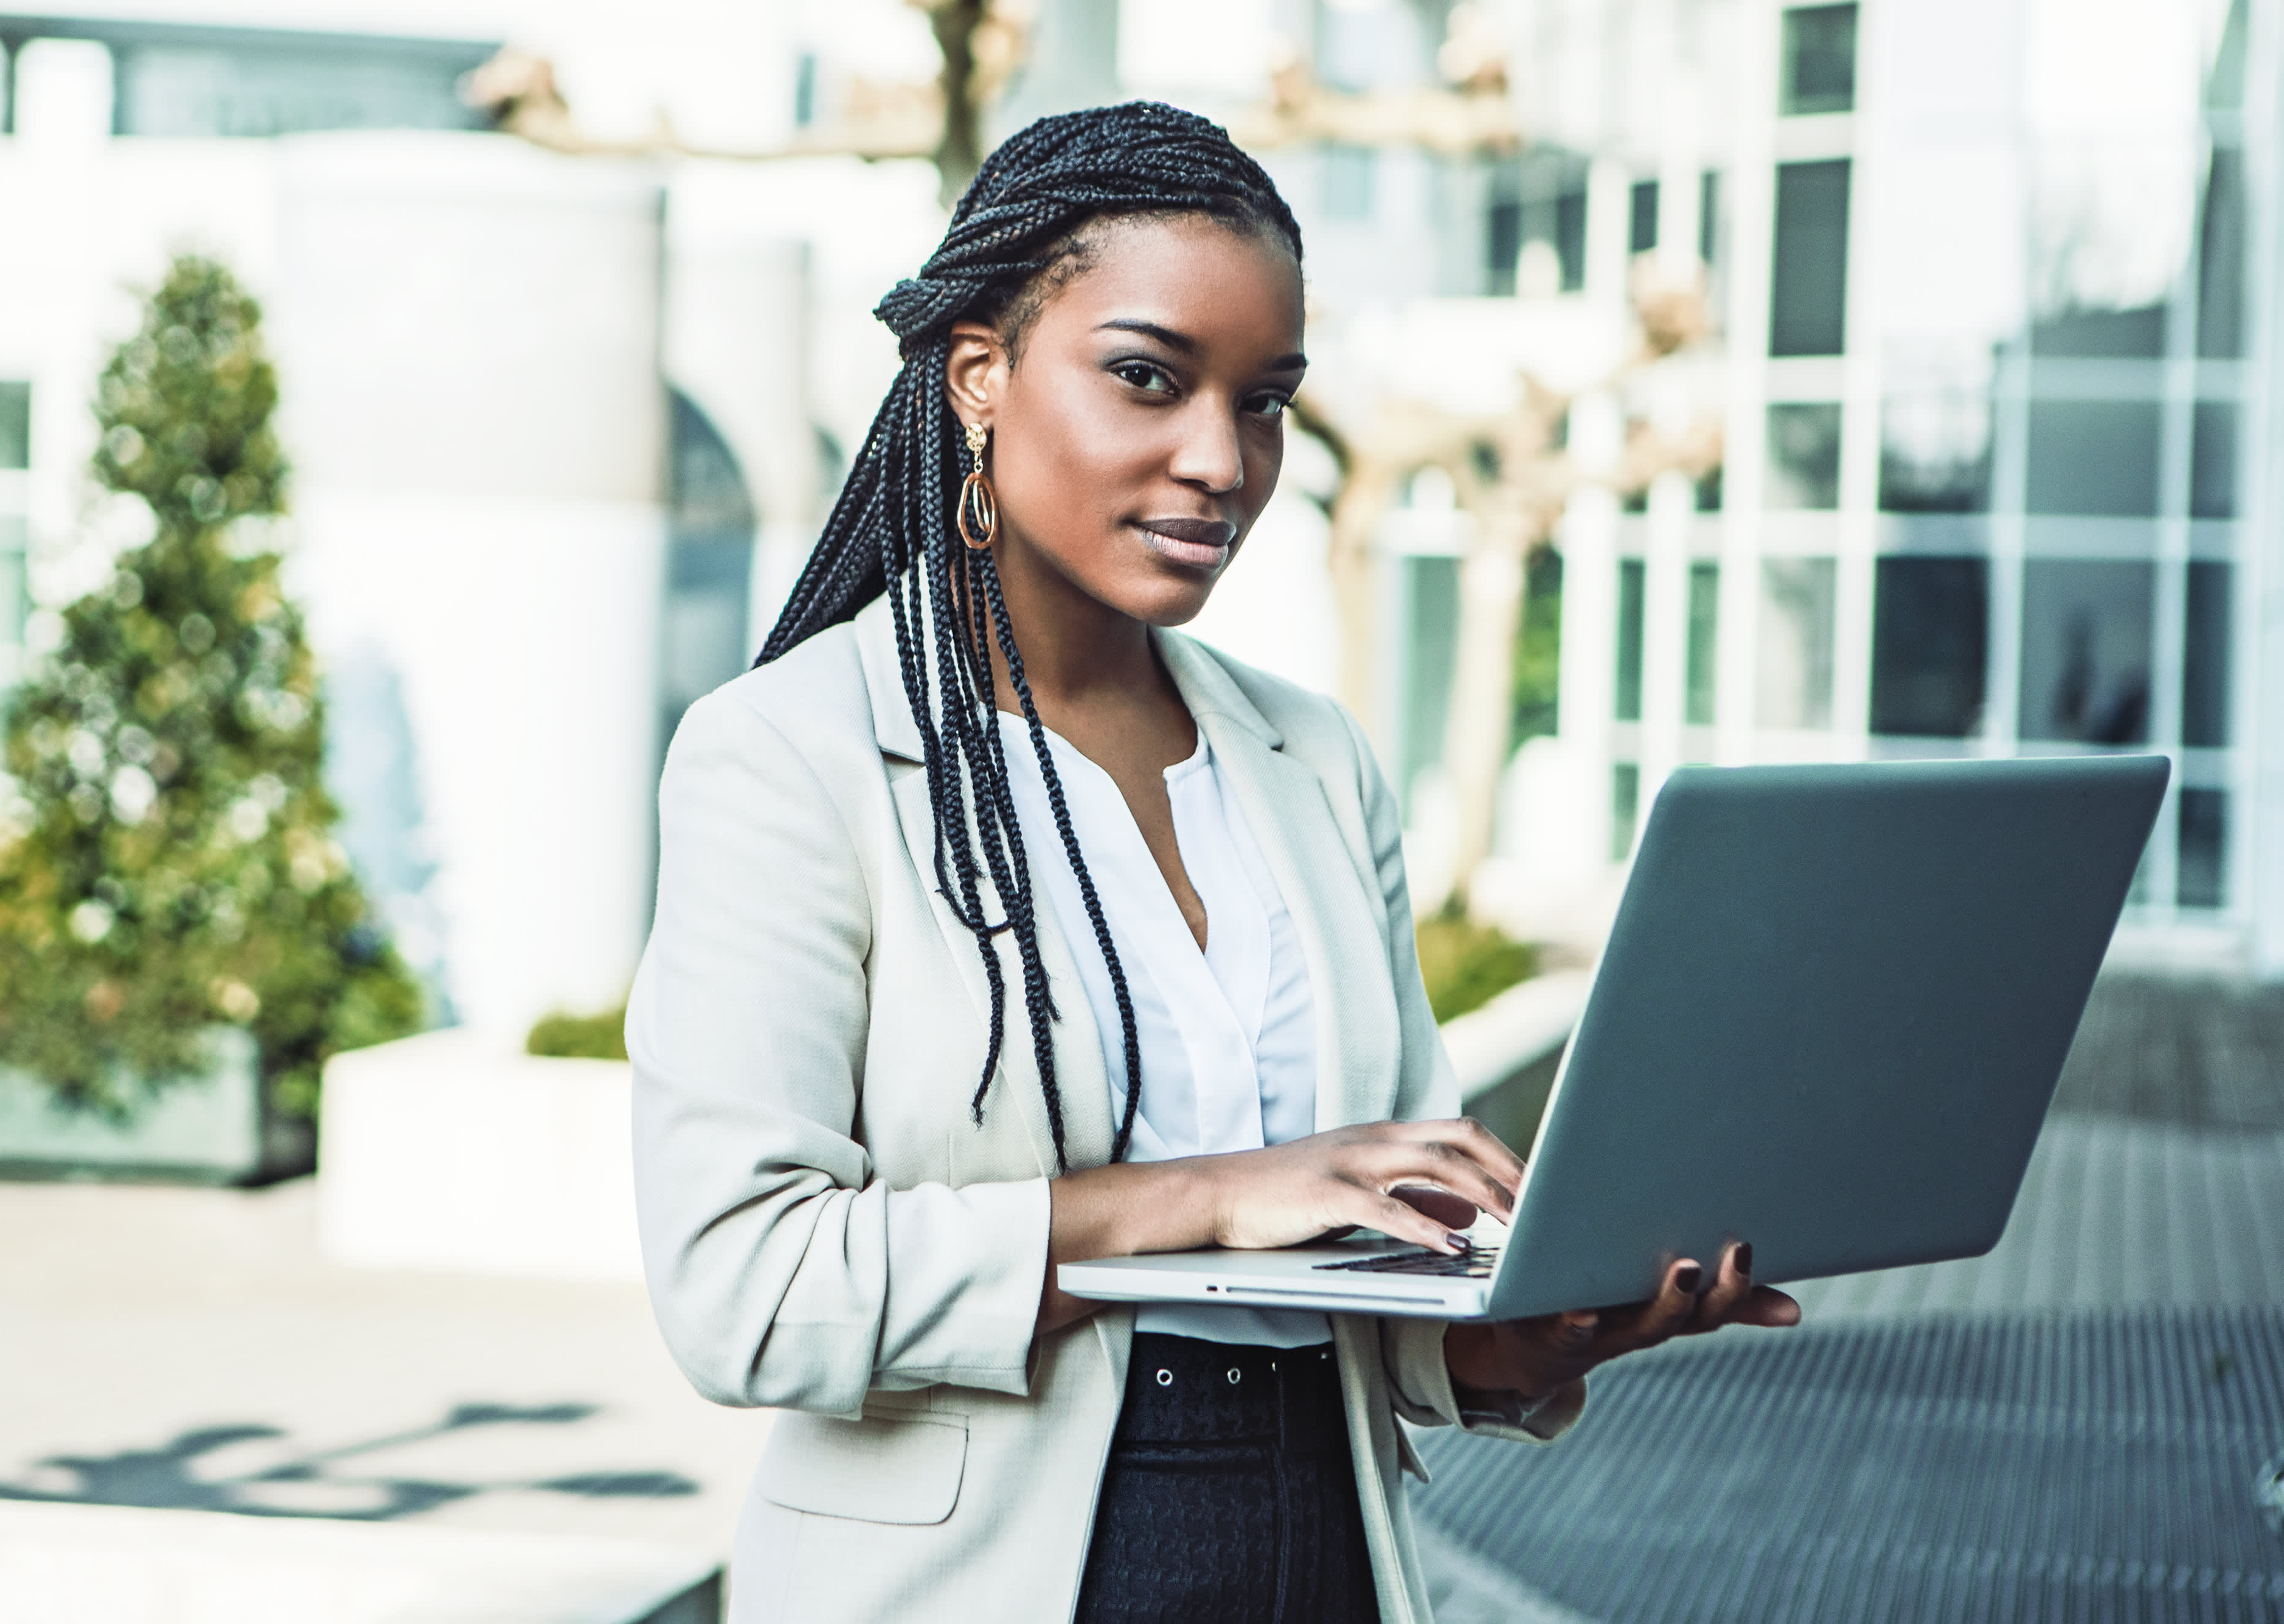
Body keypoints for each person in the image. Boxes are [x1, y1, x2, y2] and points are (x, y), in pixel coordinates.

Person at [627, 102, 1798, 1624]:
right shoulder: (789, 755)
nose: (1218, 461)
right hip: (988, 1579)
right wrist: (1201, 1197)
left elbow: (1371, 1268)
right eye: (1146, 379)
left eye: (1263, 402)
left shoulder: (1311, 760)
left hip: (1320, 1544)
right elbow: (744, 1292)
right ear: (977, 371)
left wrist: (1529, 1335)